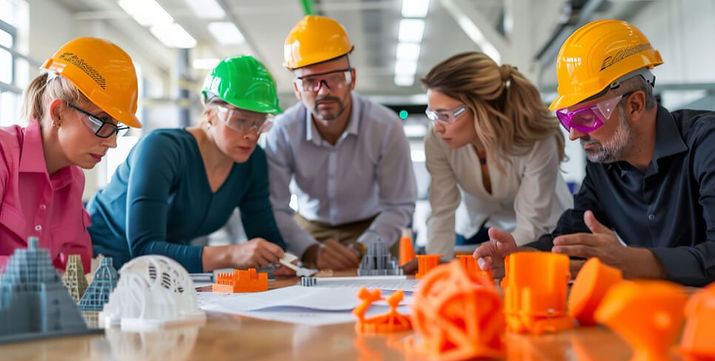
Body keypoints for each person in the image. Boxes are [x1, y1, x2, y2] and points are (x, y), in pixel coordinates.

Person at [474, 19, 715, 287]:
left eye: (587, 118)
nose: (574, 134)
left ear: (635, 105)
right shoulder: (605, 164)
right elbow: (573, 234)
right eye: (568, 120)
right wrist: (524, 256)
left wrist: (637, 262)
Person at [87, 56, 286, 272]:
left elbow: (265, 234)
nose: (251, 134)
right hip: (101, 260)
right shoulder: (161, 149)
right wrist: (232, 253)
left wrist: (283, 261)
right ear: (210, 113)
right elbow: (144, 248)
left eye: (260, 123)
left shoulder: (252, 161)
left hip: (166, 268)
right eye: (240, 120)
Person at [266, 15, 417, 270]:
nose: (323, 90)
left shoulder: (386, 126)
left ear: (352, 79)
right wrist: (309, 249)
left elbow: (399, 204)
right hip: (308, 232)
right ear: (296, 89)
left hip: (372, 228)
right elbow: (275, 207)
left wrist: (363, 247)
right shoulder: (281, 131)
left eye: (335, 78)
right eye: (310, 82)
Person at [0, 37, 141, 273]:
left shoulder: (74, 180)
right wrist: (41, 276)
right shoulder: (4, 154)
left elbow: (78, 269)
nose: (113, 142)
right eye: (102, 122)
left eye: (116, 127)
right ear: (57, 113)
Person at [421, 52, 572, 261]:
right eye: (432, 114)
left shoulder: (535, 138)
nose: (437, 127)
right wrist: (435, 264)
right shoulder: (438, 140)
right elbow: (441, 209)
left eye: (445, 116)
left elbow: (532, 226)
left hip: (548, 230)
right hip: (486, 226)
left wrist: (501, 259)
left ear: (484, 109)